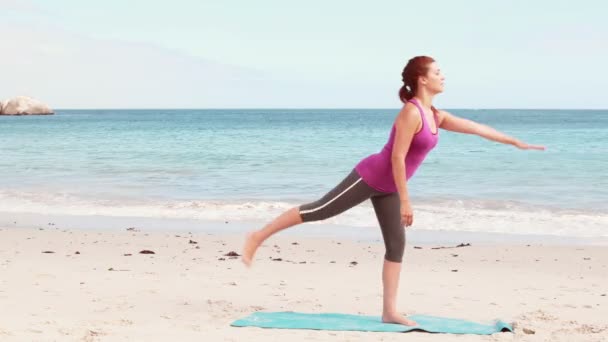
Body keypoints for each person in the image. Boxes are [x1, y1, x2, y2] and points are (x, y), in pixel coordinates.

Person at [241, 56, 545, 326]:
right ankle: (258, 236)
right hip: (370, 177)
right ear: (422, 79)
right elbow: (398, 157)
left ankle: (389, 311)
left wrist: (514, 142)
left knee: (396, 246)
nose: (444, 76)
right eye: (438, 71)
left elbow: (475, 127)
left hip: (389, 187)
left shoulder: (435, 115)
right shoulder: (411, 113)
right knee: (320, 210)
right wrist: (406, 203)